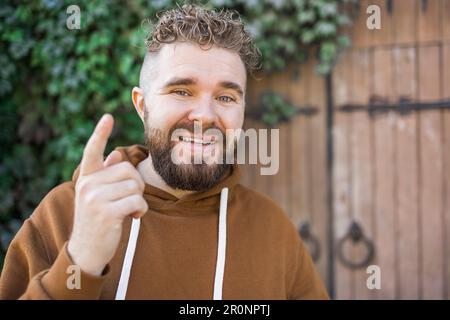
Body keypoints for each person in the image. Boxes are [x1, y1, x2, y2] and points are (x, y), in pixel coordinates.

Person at [0, 4, 329, 300]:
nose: (205, 115)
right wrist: (81, 260)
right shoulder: (63, 213)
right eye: (182, 91)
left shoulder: (272, 228)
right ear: (142, 106)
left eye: (226, 97)